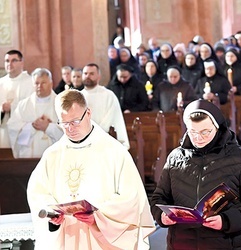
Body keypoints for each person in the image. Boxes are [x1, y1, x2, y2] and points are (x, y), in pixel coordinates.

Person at [27, 89, 156, 249]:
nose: (70, 129)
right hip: (68, 236)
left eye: (74, 122)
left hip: (102, 239)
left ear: (88, 113)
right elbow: (38, 193)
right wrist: (52, 213)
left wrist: (100, 217)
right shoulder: (52, 155)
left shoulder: (114, 151)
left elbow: (131, 197)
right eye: (64, 123)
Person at [150, 99, 241, 250]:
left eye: (205, 132)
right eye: (193, 132)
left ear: (217, 127)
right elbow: (158, 197)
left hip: (230, 244)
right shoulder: (175, 157)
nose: (198, 138)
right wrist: (161, 217)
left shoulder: (240, 157)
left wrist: (226, 220)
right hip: (183, 243)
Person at [7, 68, 63, 158]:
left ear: (51, 83)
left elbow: (68, 131)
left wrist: (48, 127)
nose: (39, 86)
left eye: (43, 83)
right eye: (36, 83)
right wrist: (32, 127)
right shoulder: (23, 105)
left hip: (55, 157)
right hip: (29, 159)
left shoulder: (61, 104)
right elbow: (13, 127)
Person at [81, 63, 130, 149]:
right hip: (83, 139)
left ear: (99, 76)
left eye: (91, 74)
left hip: (104, 138)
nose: (88, 76)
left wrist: (94, 132)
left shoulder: (108, 95)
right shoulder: (78, 96)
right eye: (85, 73)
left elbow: (111, 117)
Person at [0, 50, 34, 148]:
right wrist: (1, 110)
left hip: (23, 132)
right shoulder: (1, 83)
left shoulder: (31, 83)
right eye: (7, 61)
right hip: (3, 130)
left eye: (14, 60)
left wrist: (12, 107)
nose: (9, 64)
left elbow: (33, 107)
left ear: (22, 62)